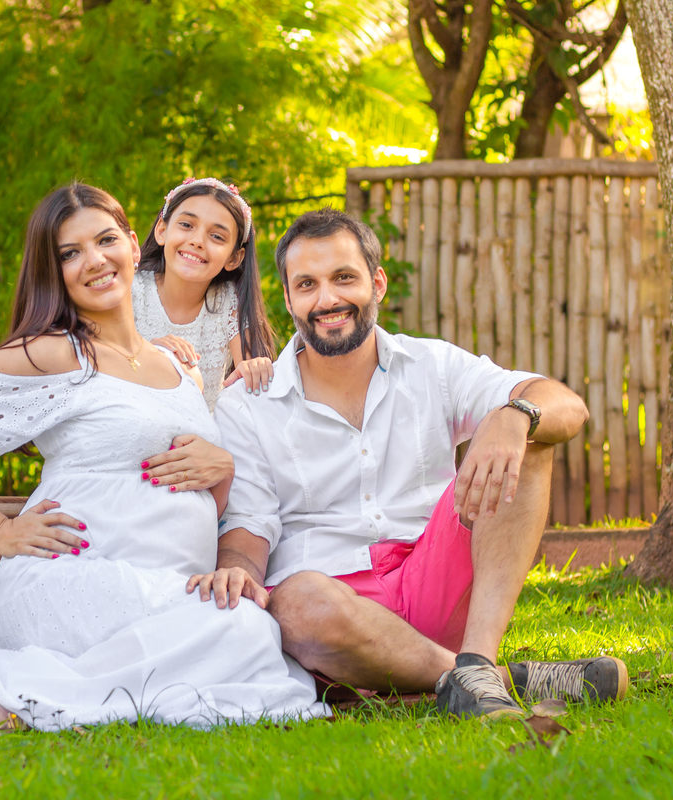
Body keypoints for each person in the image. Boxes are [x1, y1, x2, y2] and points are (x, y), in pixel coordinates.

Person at [0, 183, 327, 732]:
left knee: (249, 630)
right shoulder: (55, 353)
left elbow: (184, 494)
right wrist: (0, 531)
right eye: (69, 253)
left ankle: (13, 695)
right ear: (54, 271)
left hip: (167, 586)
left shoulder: (177, 366)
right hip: (76, 580)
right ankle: (15, 685)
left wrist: (224, 469)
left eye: (105, 240)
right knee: (246, 639)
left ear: (135, 245)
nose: (93, 260)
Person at [190, 208, 628, 718]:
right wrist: (237, 570)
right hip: (333, 612)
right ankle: (485, 681)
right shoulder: (250, 403)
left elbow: (567, 406)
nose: (327, 299)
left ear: (377, 284)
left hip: (436, 581)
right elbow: (249, 523)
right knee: (297, 601)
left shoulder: (432, 364)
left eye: (344, 278)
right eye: (307, 284)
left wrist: (516, 414)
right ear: (288, 298)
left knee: (526, 435)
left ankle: (478, 661)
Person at [132, 177, 278, 409]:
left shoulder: (229, 302)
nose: (197, 241)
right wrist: (148, 353)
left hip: (201, 438)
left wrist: (254, 369)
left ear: (234, 258)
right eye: (187, 225)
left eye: (217, 236)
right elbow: (100, 363)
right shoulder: (132, 291)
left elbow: (250, 388)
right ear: (162, 230)